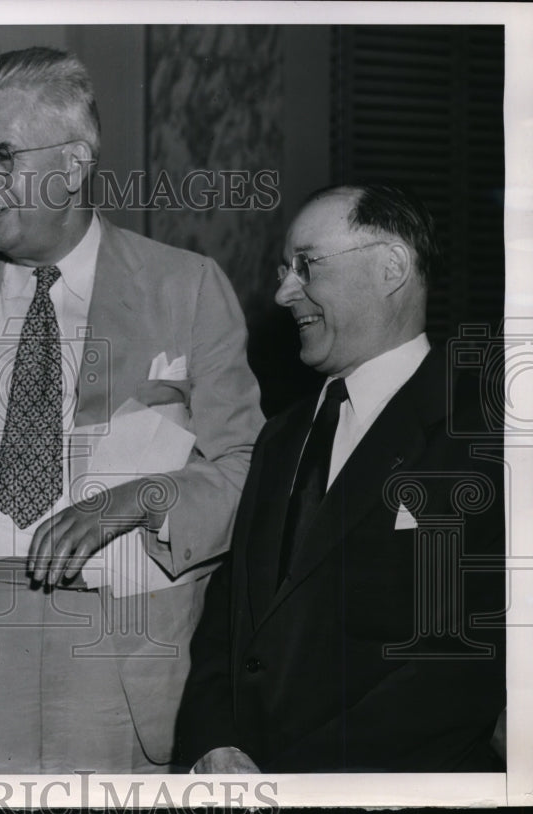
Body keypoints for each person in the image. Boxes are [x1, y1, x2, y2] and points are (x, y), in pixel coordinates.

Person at [0, 46, 264, 773]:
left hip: (117, 640)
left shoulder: (185, 288)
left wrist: (140, 498)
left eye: (3, 156)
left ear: (73, 163)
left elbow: (243, 463)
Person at [175, 184, 505, 773]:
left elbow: (466, 661)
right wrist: (213, 742)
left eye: (306, 265)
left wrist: (298, 783)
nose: (282, 292)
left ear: (391, 268)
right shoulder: (280, 435)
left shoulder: (485, 431)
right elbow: (230, 616)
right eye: (284, 269)